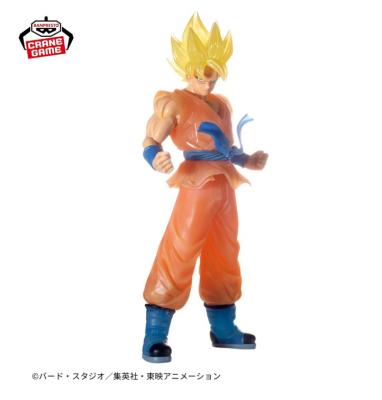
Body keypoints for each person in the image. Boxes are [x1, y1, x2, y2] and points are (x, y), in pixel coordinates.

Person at [141, 14, 268, 363]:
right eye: (201, 76)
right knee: (179, 249)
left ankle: (224, 329)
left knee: (225, 253)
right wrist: (155, 157)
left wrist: (248, 160)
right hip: (196, 185)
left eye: (213, 76)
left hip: (225, 184)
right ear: (187, 70)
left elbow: (227, 148)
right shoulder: (175, 102)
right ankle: (155, 333)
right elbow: (151, 138)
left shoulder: (222, 104)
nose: (208, 83)